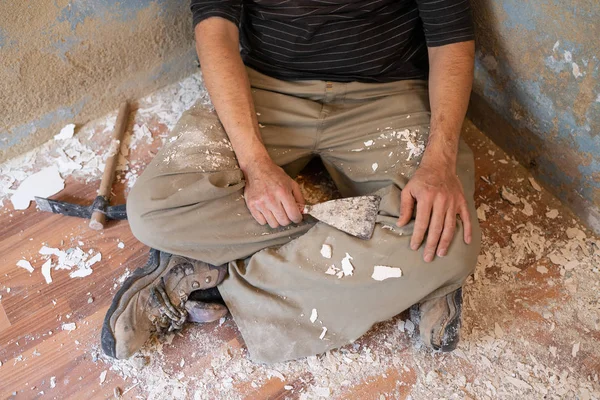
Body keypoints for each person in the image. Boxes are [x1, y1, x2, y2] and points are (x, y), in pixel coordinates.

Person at [101, 0, 482, 364]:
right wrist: (255, 163)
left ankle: (211, 276)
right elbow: (214, 30)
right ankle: (401, 270)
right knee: (154, 211)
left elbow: (451, 37)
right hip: (264, 88)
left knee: (454, 239)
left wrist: (439, 163)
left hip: (387, 95)